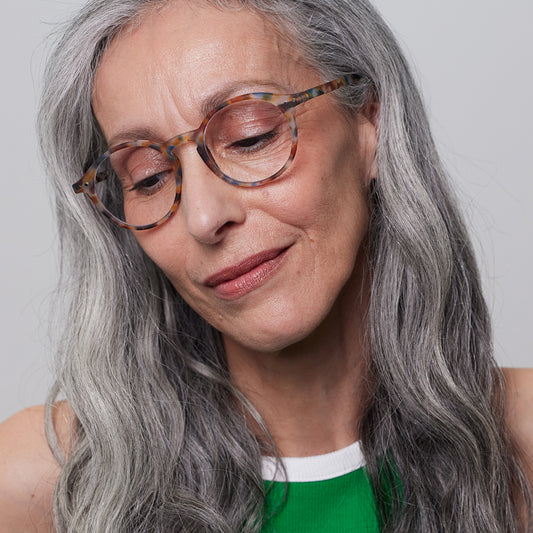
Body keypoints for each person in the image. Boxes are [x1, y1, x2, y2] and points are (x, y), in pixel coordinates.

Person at [0, 0, 532, 531]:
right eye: (149, 178)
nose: (203, 218)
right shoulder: (37, 486)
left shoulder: (522, 446)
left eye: (250, 137)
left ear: (372, 123)